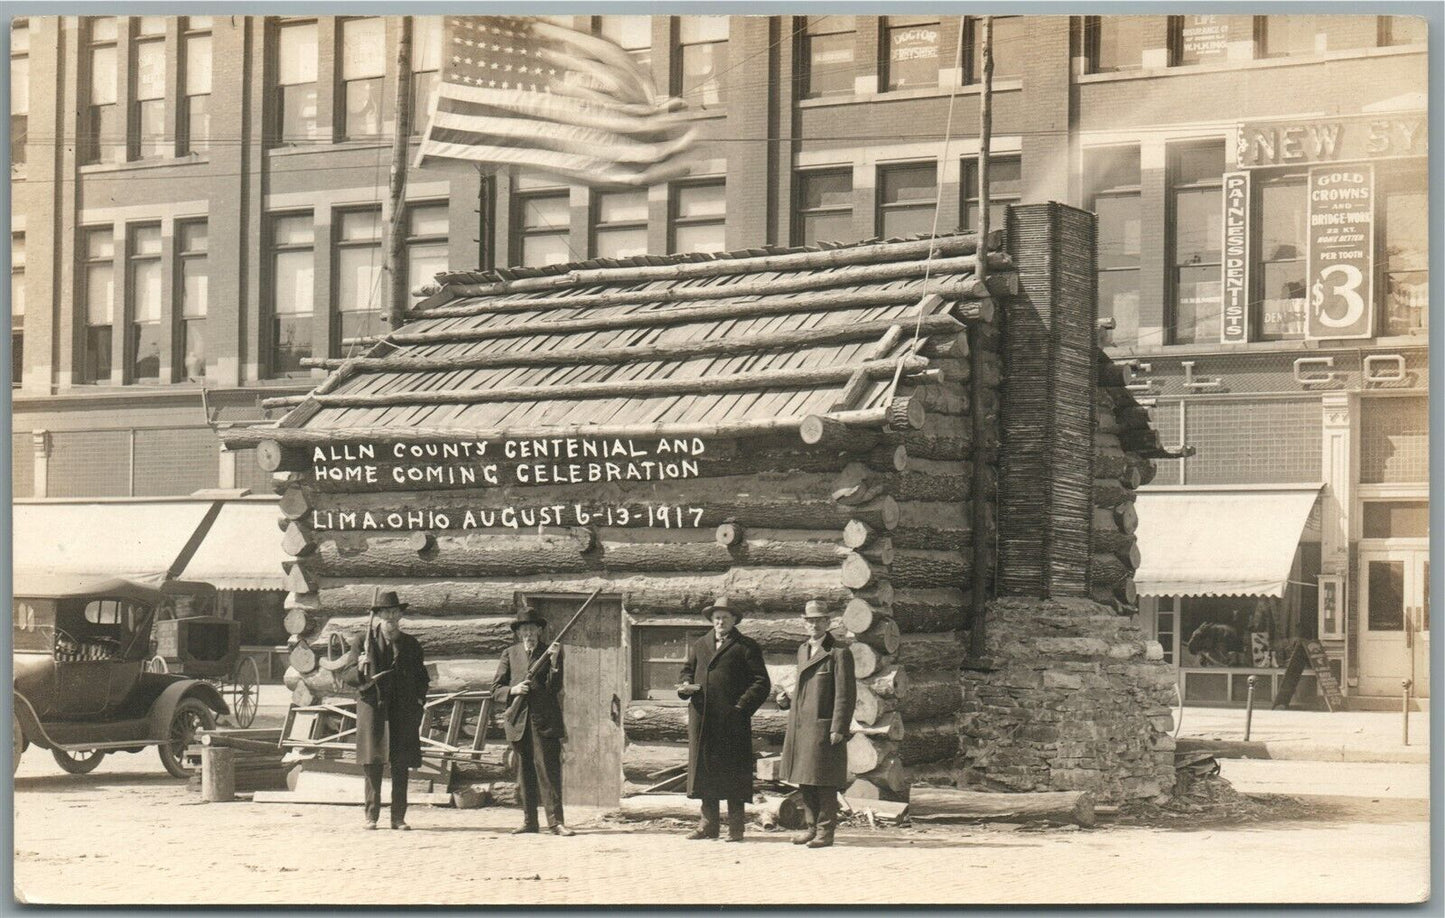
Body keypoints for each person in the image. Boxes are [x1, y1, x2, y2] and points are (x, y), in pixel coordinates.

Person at [678, 596, 771, 842]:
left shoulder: (746, 646)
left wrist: (741, 708)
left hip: (732, 721)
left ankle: (736, 829)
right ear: (711, 620)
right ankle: (708, 825)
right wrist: (686, 684)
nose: (720, 622)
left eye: (725, 618)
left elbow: (761, 682)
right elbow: (687, 670)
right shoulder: (700, 644)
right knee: (705, 772)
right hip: (703, 718)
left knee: (733, 773)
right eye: (717, 618)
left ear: (734, 620)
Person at [776, 600, 856, 848]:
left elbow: (846, 694)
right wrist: (786, 700)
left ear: (828, 623)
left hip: (823, 726)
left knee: (824, 782)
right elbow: (804, 687)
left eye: (818, 620)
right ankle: (811, 828)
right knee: (806, 780)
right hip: (801, 726)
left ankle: (825, 832)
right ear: (804, 623)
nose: (813, 624)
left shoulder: (839, 652)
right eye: (809, 620)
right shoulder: (802, 650)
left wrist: (838, 727)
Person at [347, 590, 429, 831]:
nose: (391, 616)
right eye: (386, 612)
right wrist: (360, 668)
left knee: (401, 764)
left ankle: (398, 818)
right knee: (372, 764)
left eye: (395, 612)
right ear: (379, 615)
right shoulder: (362, 641)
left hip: (402, 712)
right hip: (373, 709)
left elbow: (422, 679)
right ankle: (371, 816)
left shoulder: (412, 645)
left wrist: (418, 703)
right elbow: (347, 675)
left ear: (400, 615)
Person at [491, 604, 574, 836]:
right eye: (524, 630)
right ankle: (529, 822)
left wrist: (555, 663)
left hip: (544, 721)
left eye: (532, 629)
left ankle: (556, 822)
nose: (528, 634)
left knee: (549, 772)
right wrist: (514, 690)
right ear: (519, 633)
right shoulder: (509, 654)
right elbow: (495, 689)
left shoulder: (550, 653)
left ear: (539, 631)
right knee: (525, 773)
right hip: (519, 721)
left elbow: (554, 687)